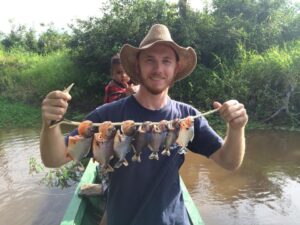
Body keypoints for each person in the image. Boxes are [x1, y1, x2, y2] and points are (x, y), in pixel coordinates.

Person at [40, 24, 248, 225]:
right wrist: (50, 125)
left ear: (175, 69)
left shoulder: (187, 117)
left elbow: (229, 162)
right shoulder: (107, 117)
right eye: (150, 60)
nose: (158, 69)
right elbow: (54, 159)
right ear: (137, 68)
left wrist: (236, 129)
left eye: (166, 61)